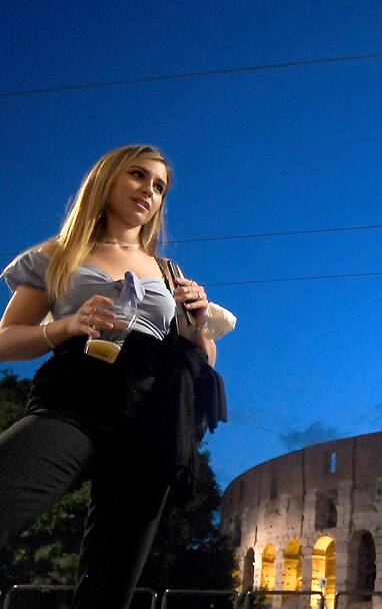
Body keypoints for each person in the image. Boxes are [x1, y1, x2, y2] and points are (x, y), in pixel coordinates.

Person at [0, 144, 220, 609]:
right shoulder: (58, 254)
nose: (149, 191)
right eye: (138, 176)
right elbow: (5, 340)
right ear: (106, 181)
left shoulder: (168, 271)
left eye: (159, 186)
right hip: (75, 400)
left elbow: (205, 361)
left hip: (153, 420)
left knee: (109, 586)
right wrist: (65, 326)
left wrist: (197, 324)